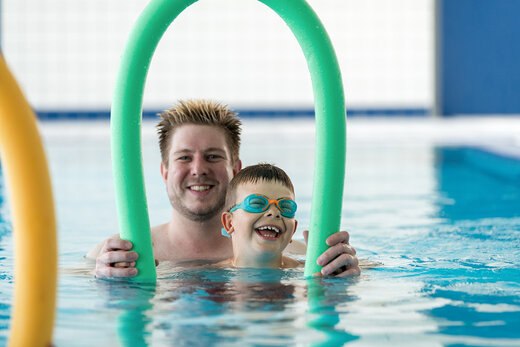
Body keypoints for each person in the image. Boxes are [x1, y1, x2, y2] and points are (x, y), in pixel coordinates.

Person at [88, 99, 359, 278]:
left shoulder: (294, 253)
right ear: (165, 171)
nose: (198, 169)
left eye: (213, 156)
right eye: (184, 157)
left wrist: (347, 269)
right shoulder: (122, 253)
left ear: (236, 169)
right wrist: (100, 277)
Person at [216, 163, 302, 269]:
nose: (274, 212)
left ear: (293, 230)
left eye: (286, 207)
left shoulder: (313, 271)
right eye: (257, 203)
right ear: (229, 223)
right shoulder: (208, 278)